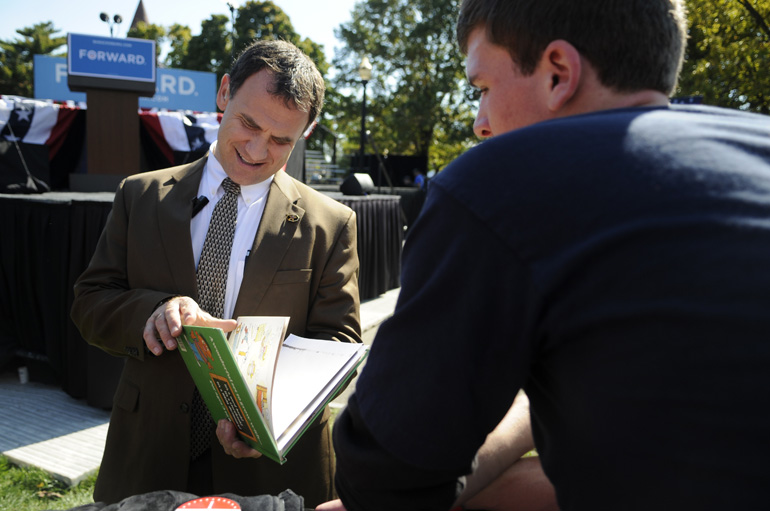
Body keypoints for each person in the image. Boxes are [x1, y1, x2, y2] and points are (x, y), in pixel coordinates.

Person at [327, 0, 770, 510]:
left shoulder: (500, 183)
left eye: (483, 89)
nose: (479, 123)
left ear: (558, 74)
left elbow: (384, 481)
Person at [71, 39, 361, 507]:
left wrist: (269, 417)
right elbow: (90, 301)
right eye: (249, 123)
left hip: (271, 470)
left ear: (306, 133)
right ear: (224, 93)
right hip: (149, 452)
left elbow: (339, 346)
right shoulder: (140, 195)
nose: (257, 149)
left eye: (282, 140)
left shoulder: (330, 223)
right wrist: (153, 312)